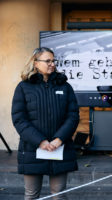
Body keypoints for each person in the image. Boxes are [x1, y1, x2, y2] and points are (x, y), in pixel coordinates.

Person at [11, 47, 79, 200]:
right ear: (35, 63)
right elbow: (19, 119)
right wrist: (40, 141)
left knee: (59, 195)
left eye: (53, 61)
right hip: (32, 149)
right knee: (31, 195)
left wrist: (59, 139)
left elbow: (73, 116)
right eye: (47, 61)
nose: (52, 64)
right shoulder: (23, 87)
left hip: (60, 147)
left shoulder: (64, 86)